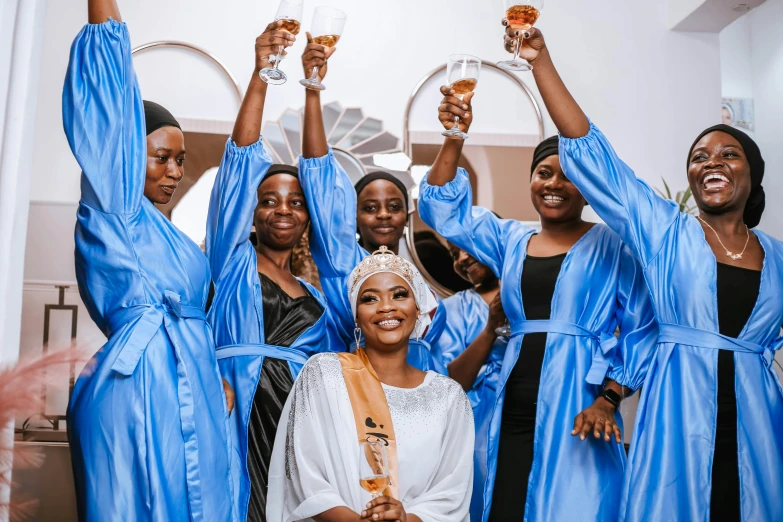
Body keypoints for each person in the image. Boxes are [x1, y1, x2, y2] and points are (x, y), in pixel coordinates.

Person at [512, 24, 783, 522]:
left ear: (753, 173)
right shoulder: (665, 231)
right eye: (699, 157)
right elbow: (597, 158)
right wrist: (540, 62)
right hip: (678, 409)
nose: (711, 163)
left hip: (758, 418)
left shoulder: (779, 257)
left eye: (728, 154)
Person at [418, 95, 658, 520]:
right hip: (511, 401)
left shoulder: (613, 245)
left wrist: (608, 398)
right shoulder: (509, 239)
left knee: (575, 503)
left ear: (588, 189)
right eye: (543, 173)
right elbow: (440, 208)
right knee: (509, 496)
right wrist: (454, 136)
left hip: (579, 402)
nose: (553, 184)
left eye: (568, 177)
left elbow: (643, 330)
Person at [62, 1, 233, 519]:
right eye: (162, 157)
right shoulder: (115, 209)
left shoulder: (172, 235)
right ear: (127, 154)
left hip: (192, 381)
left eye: (181, 159)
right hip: (138, 383)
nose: (175, 170)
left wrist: (208, 370)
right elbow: (110, 94)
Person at [205, 23, 342, 522]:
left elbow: (331, 371)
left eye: (295, 202)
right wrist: (263, 73)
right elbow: (239, 163)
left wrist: (313, 88)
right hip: (234, 406)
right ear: (252, 212)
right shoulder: (232, 262)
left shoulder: (320, 296)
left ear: (308, 218)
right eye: (268, 201)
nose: (282, 210)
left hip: (296, 422)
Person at [266, 247, 475, 522]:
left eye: (399, 295)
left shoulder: (448, 397)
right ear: (356, 315)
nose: (386, 306)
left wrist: (406, 518)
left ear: (418, 308)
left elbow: (452, 491)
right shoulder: (324, 374)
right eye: (370, 298)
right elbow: (303, 475)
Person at [296, 36, 446, 372]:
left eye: (393, 206)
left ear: (406, 217)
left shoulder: (420, 282)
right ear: (353, 216)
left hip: (426, 404)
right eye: (370, 207)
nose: (382, 215)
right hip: (364, 395)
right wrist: (313, 88)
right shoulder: (345, 262)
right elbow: (319, 174)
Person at [433, 243, 508, 515]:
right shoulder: (453, 308)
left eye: (467, 247)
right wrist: (490, 329)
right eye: (454, 255)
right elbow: (454, 381)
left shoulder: (532, 292)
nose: (462, 258)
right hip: (480, 420)